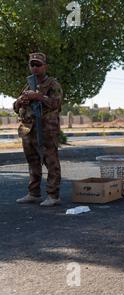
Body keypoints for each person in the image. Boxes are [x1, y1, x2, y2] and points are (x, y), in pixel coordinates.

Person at [14, 53, 64, 207]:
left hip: (46, 130)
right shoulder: (28, 84)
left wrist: (39, 96)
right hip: (29, 129)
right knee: (33, 162)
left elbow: (56, 104)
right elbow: (16, 107)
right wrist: (20, 101)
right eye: (32, 65)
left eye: (38, 65)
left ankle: (53, 195)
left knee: (51, 161)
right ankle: (33, 193)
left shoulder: (52, 84)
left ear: (45, 66)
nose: (35, 68)